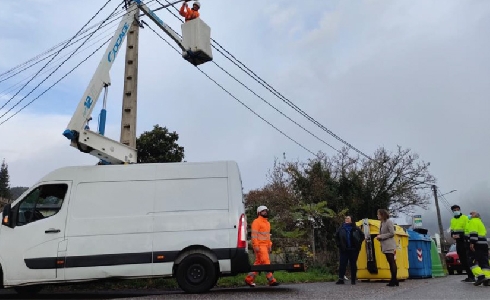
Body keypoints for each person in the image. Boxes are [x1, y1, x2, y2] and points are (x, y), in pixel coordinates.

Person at [244, 205, 279, 287]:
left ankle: (249, 279)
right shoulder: (256, 222)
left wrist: (269, 245)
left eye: (266, 211)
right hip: (260, 245)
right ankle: (271, 280)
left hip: (265, 246)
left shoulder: (267, 223)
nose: (265, 212)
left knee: (258, 264)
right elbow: (254, 235)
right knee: (266, 262)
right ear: (259, 213)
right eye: (263, 211)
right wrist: (255, 245)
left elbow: (268, 236)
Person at [335, 216, 365, 285]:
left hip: (354, 249)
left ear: (351, 220)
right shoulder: (341, 228)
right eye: (345, 218)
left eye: (348, 218)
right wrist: (339, 245)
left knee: (353, 264)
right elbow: (336, 237)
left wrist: (358, 243)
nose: (346, 219)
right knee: (342, 264)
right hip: (344, 249)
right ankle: (341, 279)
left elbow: (362, 236)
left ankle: (353, 279)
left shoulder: (356, 228)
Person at [449, 204, 474, 282]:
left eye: (457, 209)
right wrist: (453, 235)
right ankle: (469, 276)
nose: (456, 211)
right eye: (454, 210)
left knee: (468, 259)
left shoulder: (465, 218)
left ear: (460, 210)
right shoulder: (452, 220)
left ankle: (472, 275)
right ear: (452, 211)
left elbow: (468, 229)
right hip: (458, 242)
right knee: (462, 259)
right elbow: (452, 230)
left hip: (465, 241)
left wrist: (461, 236)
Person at [376, 209, 398, 287]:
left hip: (389, 245)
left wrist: (381, 236)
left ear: (382, 215)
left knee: (392, 262)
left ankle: (394, 280)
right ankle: (394, 280)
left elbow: (392, 233)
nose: (377, 215)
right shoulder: (382, 223)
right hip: (385, 245)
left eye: (378, 214)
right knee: (390, 262)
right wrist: (379, 237)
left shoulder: (388, 222)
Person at [467, 211, 490, 286]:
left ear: (475, 216)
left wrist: (472, 243)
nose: (469, 215)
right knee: (484, 261)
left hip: (477, 244)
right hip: (484, 244)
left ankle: (480, 276)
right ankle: (488, 278)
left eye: (471, 214)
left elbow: (474, 233)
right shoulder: (480, 222)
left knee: (472, 261)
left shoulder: (473, 221)